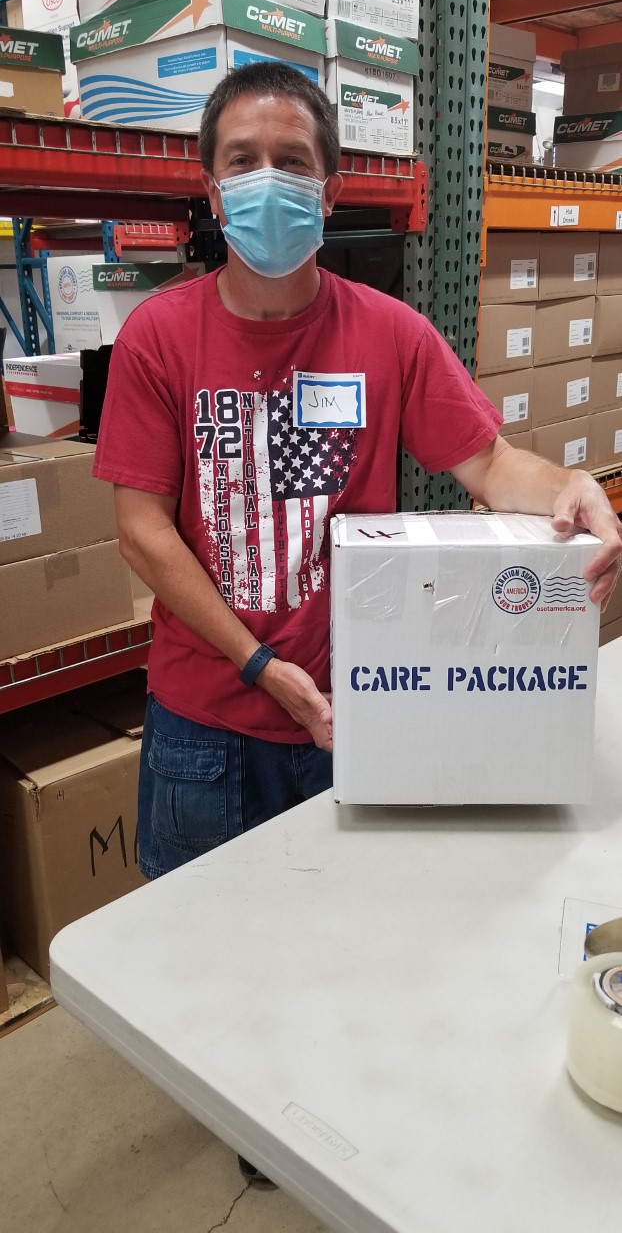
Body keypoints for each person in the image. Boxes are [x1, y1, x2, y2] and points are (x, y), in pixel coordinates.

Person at [94, 61, 622, 879]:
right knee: (200, 947)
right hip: (207, 727)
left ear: (330, 191)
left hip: (362, 707)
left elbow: (488, 463)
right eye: (242, 161)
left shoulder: (391, 334)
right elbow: (141, 531)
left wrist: (570, 488)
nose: (268, 179)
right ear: (213, 191)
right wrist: (261, 666)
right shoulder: (157, 338)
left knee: (356, 936)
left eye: (292, 161)